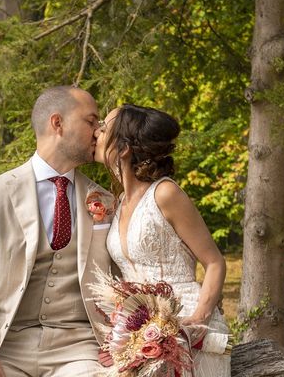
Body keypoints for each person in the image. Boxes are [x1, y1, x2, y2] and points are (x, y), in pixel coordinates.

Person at [0, 86, 115, 377]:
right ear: (57, 123)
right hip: (6, 344)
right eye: (91, 121)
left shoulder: (105, 201)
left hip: (80, 346)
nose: (99, 132)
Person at [94, 104, 231, 377]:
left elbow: (214, 262)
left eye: (105, 128)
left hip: (185, 323)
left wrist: (199, 320)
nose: (97, 131)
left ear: (123, 149)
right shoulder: (119, 201)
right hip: (136, 328)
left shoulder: (165, 194)